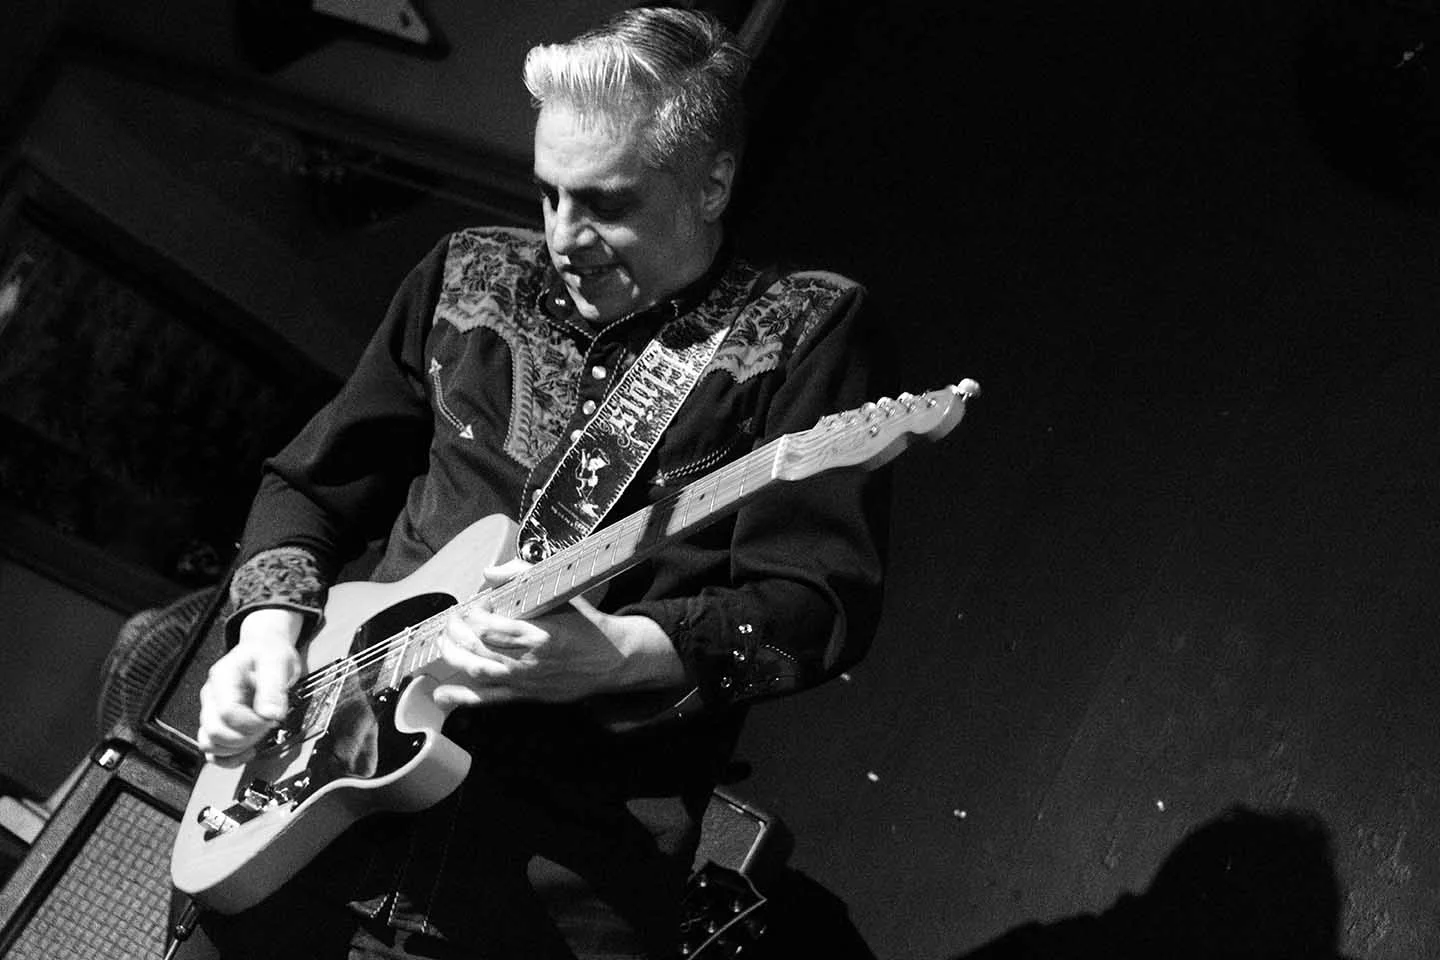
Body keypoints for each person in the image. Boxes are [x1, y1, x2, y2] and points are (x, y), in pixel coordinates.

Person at [186, 7, 890, 958]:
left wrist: (621, 656)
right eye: (550, 193)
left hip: (556, 887)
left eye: (607, 203)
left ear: (713, 182)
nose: (566, 235)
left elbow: (816, 609)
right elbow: (311, 487)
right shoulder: (467, 271)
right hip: (306, 826)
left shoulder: (800, 332)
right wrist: (266, 637)